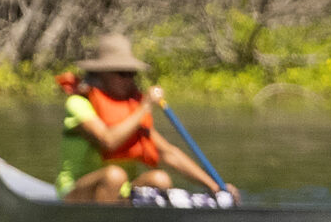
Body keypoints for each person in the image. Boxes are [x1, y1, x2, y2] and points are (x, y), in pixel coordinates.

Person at [55, 35, 230, 203]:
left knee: (160, 179)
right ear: (101, 74)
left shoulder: (131, 108)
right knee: (114, 175)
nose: (129, 80)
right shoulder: (78, 103)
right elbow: (108, 141)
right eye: (122, 73)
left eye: (132, 73)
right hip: (76, 193)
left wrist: (215, 187)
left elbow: (167, 153)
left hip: (120, 193)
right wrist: (145, 107)